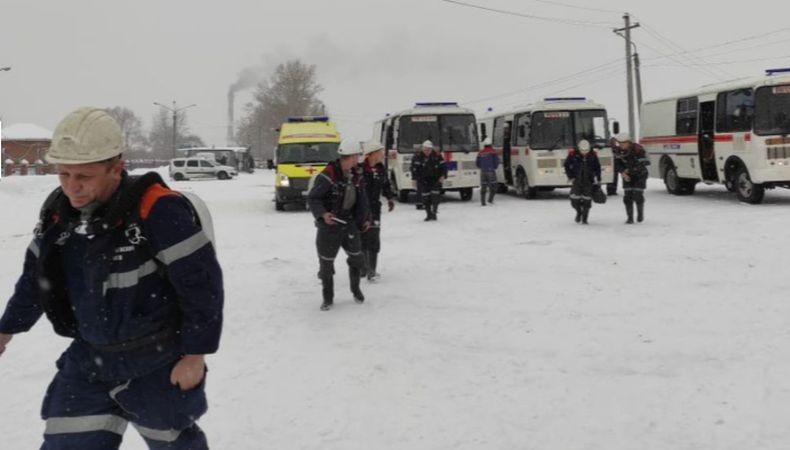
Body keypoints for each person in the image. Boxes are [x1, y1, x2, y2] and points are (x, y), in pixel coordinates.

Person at [0, 107, 224, 449]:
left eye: (84, 177)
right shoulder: (58, 215)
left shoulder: (159, 210)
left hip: (157, 363)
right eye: (63, 175)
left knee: (174, 443)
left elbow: (201, 287)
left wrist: (195, 356)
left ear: (116, 167)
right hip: (89, 362)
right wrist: (6, 330)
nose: (72, 188)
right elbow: (36, 279)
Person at [308, 141, 371, 311]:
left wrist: (365, 219)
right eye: (357, 156)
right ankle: (327, 298)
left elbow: (363, 201)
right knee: (326, 264)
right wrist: (323, 214)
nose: (359, 159)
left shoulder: (357, 176)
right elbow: (313, 198)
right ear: (350, 157)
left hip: (350, 225)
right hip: (330, 227)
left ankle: (355, 289)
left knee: (357, 259)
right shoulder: (328, 175)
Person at [360, 140, 395, 282]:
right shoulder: (360, 169)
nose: (382, 154)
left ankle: (372, 270)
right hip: (360, 209)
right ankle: (362, 267)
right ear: (372, 153)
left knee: (374, 238)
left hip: (375, 208)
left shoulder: (381, 168)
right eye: (380, 151)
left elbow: (386, 185)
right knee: (362, 238)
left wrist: (390, 198)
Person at [614, 133, 651, 224]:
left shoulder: (638, 149)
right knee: (627, 197)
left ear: (629, 142)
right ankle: (630, 217)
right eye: (620, 143)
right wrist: (622, 172)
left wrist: (631, 169)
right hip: (627, 176)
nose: (621, 145)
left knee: (637, 195)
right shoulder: (618, 151)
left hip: (640, 175)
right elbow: (617, 164)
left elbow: (645, 162)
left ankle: (640, 215)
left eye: (623, 143)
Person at [564, 139, 602, 225]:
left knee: (587, 200)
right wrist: (571, 176)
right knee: (574, 200)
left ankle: (585, 218)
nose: (584, 153)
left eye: (586, 151)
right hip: (576, 180)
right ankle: (578, 212)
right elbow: (566, 166)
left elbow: (598, 167)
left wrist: (598, 179)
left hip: (589, 181)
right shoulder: (572, 154)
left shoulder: (593, 155)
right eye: (582, 151)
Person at [410, 140, 447, 221]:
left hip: (435, 179)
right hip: (423, 180)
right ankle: (428, 214)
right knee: (425, 198)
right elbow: (413, 169)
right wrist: (414, 179)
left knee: (435, 196)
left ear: (431, 149)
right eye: (425, 150)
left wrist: (443, 176)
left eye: (429, 150)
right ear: (422, 149)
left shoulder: (437, 156)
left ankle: (434, 212)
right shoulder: (417, 157)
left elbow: (444, 167)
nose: (427, 151)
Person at [476, 137, 499, 206]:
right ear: (490, 144)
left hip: (483, 171)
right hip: (490, 171)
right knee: (494, 186)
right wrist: (494, 167)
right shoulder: (493, 152)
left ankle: (483, 202)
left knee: (483, 187)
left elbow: (477, 162)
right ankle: (490, 200)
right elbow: (496, 162)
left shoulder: (480, 152)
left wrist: (482, 167)